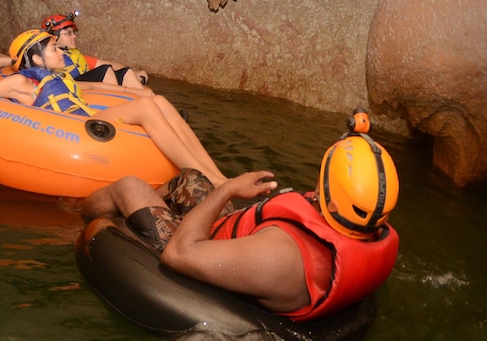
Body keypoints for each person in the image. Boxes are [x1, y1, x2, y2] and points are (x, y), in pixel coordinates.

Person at [80, 115, 400, 321]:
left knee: (129, 185)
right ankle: (141, 214)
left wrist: (228, 190)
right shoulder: (364, 222)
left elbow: (180, 253)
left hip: (196, 247)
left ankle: (72, 214)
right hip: (236, 235)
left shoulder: (279, 258)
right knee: (190, 177)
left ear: (329, 193)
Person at [0, 29, 229, 186]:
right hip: (70, 131)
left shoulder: (59, 78)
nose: (61, 51)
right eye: (54, 49)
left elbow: (92, 88)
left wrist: (130, 88)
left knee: (158, 101)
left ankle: (215, 175)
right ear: (36, 59)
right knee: (149, 110)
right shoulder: (20, 83)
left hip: (86, 118)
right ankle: (203, 176)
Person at [42, 11, 148, 89]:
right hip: (76, 90)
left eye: (73, 32)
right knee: (105, 70)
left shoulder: (75, 56)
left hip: (89, 87)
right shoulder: (49, 59)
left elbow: (108, 63)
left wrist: (135, 73)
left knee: (126, 72)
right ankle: (118, 107)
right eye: (68, 33)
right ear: (53, 37)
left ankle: (143, 106)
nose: (74, 36)